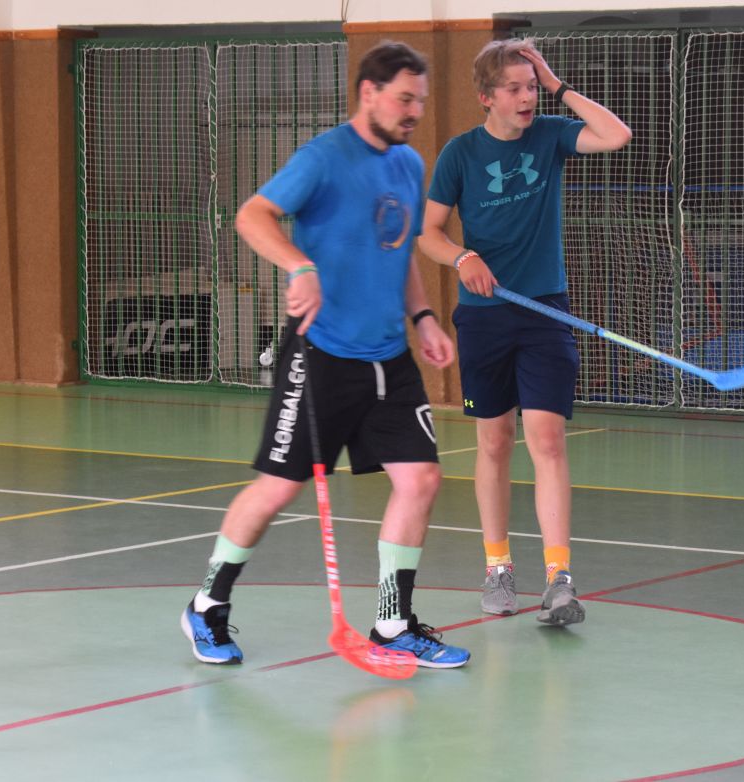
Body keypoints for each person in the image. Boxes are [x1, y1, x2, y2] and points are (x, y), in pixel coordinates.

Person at [181, 41, 469, 669]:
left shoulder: (407, 164)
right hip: (322, 353)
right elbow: (253, 216)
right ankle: (207, 604)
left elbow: (399, 250)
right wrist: (299, 265)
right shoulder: (323, 157)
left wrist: (423, 316)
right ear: (369, 93)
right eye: (404, 99)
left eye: (420, 101)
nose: (414, 111)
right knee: (278, 487)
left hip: (388, 356)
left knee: (420, 479)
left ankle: (392, 623)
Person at [418, 39, 631, 624]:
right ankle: (498, 567)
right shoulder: (461, 153)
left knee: (548, 439)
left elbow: (616, 135)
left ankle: (559, 579)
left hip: (545, 312)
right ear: (486, 97)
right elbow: (428, 233)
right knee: (493, 442)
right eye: (514, 88)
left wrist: (558, 85)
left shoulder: (551, 135)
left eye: (531, 86)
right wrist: (463, 257)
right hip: (484, 316)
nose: (526, 97)